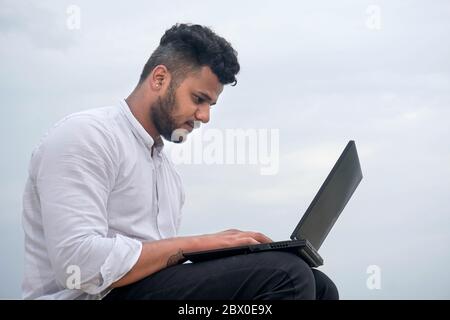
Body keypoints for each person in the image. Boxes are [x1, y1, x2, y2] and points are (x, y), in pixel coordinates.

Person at [22, 23, 339, 300]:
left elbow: (159, 270)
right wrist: (199, 244)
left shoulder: (167, 175)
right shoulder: (86, 136)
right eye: (199, 99)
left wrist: (221, 248)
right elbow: (78, 266)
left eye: (211, 104)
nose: (205, 116)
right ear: (159, 79)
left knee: (319, 286)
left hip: (136, 291)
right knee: (286, 274)